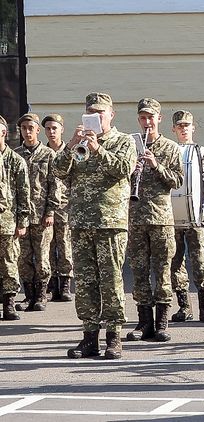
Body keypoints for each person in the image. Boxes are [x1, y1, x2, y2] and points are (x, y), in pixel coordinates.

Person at [53, 92, 137, 359]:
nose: (96, 116)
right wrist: (71, 145)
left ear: (111, 115)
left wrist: (98, 149)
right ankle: (89, 337)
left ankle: (114, 337)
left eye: (101, 112)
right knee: (86, 282)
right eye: (91, 112)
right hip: (80, 222)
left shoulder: (123, 142)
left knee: (110, 280)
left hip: (110, 222)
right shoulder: (79, 144)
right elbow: (58, 170)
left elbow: (124, 168)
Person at [126, 98, 183, 343]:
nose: (147, 122)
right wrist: (132, 170)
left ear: (159, 118)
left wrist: (156, 165)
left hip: (160, 218)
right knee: (139, 271)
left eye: (151, 117)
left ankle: (161, 322)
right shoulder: (131, 145)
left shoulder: (171, 148)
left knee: (162, 271)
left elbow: (178, 180)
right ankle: (143, 321)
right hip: (136, 218)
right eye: (143, 118)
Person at [169, 110, 204, 323]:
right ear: (173, 129)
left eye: (187, 125)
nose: (183, 128)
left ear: (193, 128)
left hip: (196, 217)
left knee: (199, 261)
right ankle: (183, 306)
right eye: (179, 125)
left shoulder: (202, 154)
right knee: (175, 262)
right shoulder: (169, 151)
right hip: (172, 217)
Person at [14, 113, 60, 312]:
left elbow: (54, 185)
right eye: (24, 128)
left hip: (42, 216)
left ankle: (41, 295)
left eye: (30, 128)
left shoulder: (48, 155)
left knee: (42, 258)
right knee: (23, 258)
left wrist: (50, 211)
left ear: (37, 130)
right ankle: (29, 296)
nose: (27, 132)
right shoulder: (16, 155)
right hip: (22, 217)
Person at [0, 114, 30, 321]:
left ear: (3, 133)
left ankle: (9, 305)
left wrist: (22, 222)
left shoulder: (15, 160)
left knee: (9, 263)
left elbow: (23, 193)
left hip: (7, 222)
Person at [42, 113, 74, 302]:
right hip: (46, 206)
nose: (51, 132)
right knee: (47, 245)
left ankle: (65, 285)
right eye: (48, 128)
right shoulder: (43, 153)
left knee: (64, 244)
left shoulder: (70, 150)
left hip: (66, 205)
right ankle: (52, 282)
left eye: (55, 128)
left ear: (62, 129)